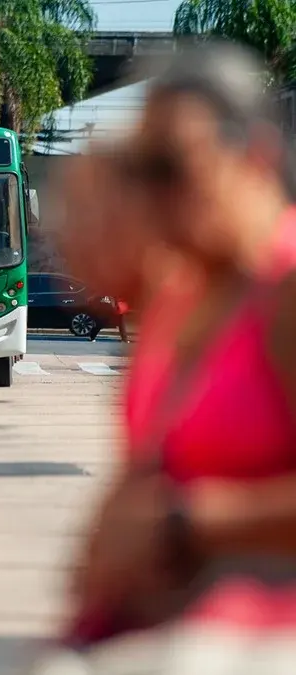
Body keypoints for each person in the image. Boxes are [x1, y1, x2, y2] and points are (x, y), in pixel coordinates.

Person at [64, 42, 296, 652]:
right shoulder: (184, 297)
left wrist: (188, 525)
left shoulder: (285, 284)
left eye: (172, 168)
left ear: (255, 156)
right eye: (145, 170)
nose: (156, 196)